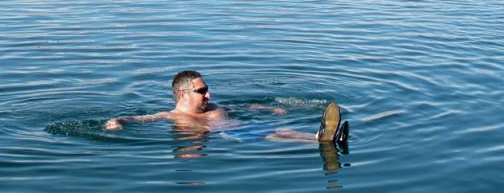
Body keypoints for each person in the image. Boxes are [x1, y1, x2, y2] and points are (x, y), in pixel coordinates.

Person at [104, 70, 349, 145]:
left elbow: (243, 105)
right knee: (270, 135)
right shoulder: (170, 115)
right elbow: (138, 118)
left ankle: (321, 138)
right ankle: (319, 141)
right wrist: (116, 121)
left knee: (276, 129)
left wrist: (269, 109)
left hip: (245, 127)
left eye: (207, 89)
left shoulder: (214, 106)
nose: (208, 94)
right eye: (202, 91)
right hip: (228, 135)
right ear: (183, 94)